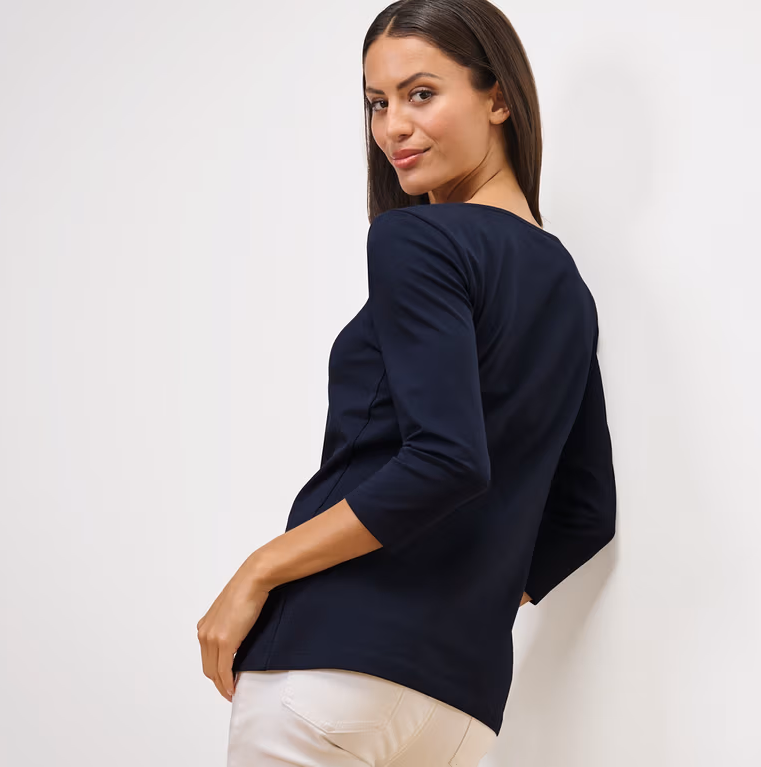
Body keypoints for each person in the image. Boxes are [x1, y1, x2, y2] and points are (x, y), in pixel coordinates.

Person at [197, 1, 617, 764]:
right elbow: (586, 515)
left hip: (329, 665)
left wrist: (259, 568)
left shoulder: (414, 239)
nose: (393, 127)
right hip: (457, 709)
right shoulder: (569, 289)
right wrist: (465, 598)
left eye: (421, 94)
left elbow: (446, 458)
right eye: (377, 103)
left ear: (498, 97)